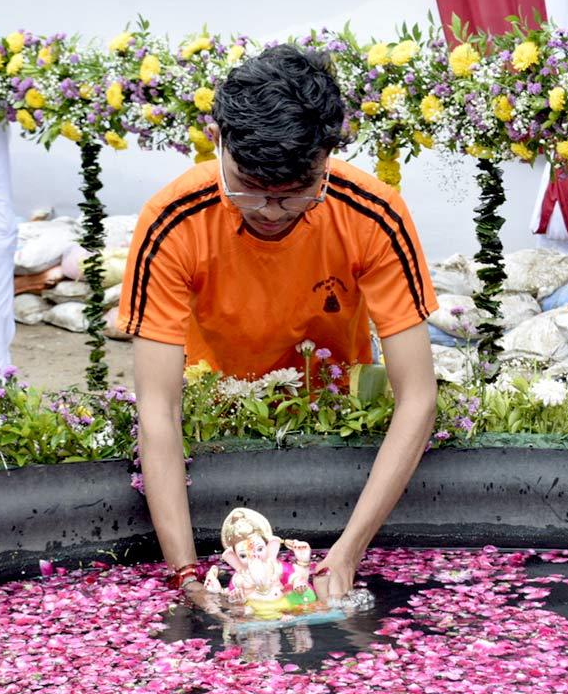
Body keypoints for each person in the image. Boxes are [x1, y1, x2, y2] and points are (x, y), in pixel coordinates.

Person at [116, 44, 437, 606]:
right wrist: (186, 575)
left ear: (327, 157)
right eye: (248, 188)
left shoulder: (373, 214)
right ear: (219, 140)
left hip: (334, 422)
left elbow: (417, 398)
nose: (269, 211)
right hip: (219, 419)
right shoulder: (172, 220)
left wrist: (347, 552)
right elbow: (159, 409)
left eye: (294, 196)